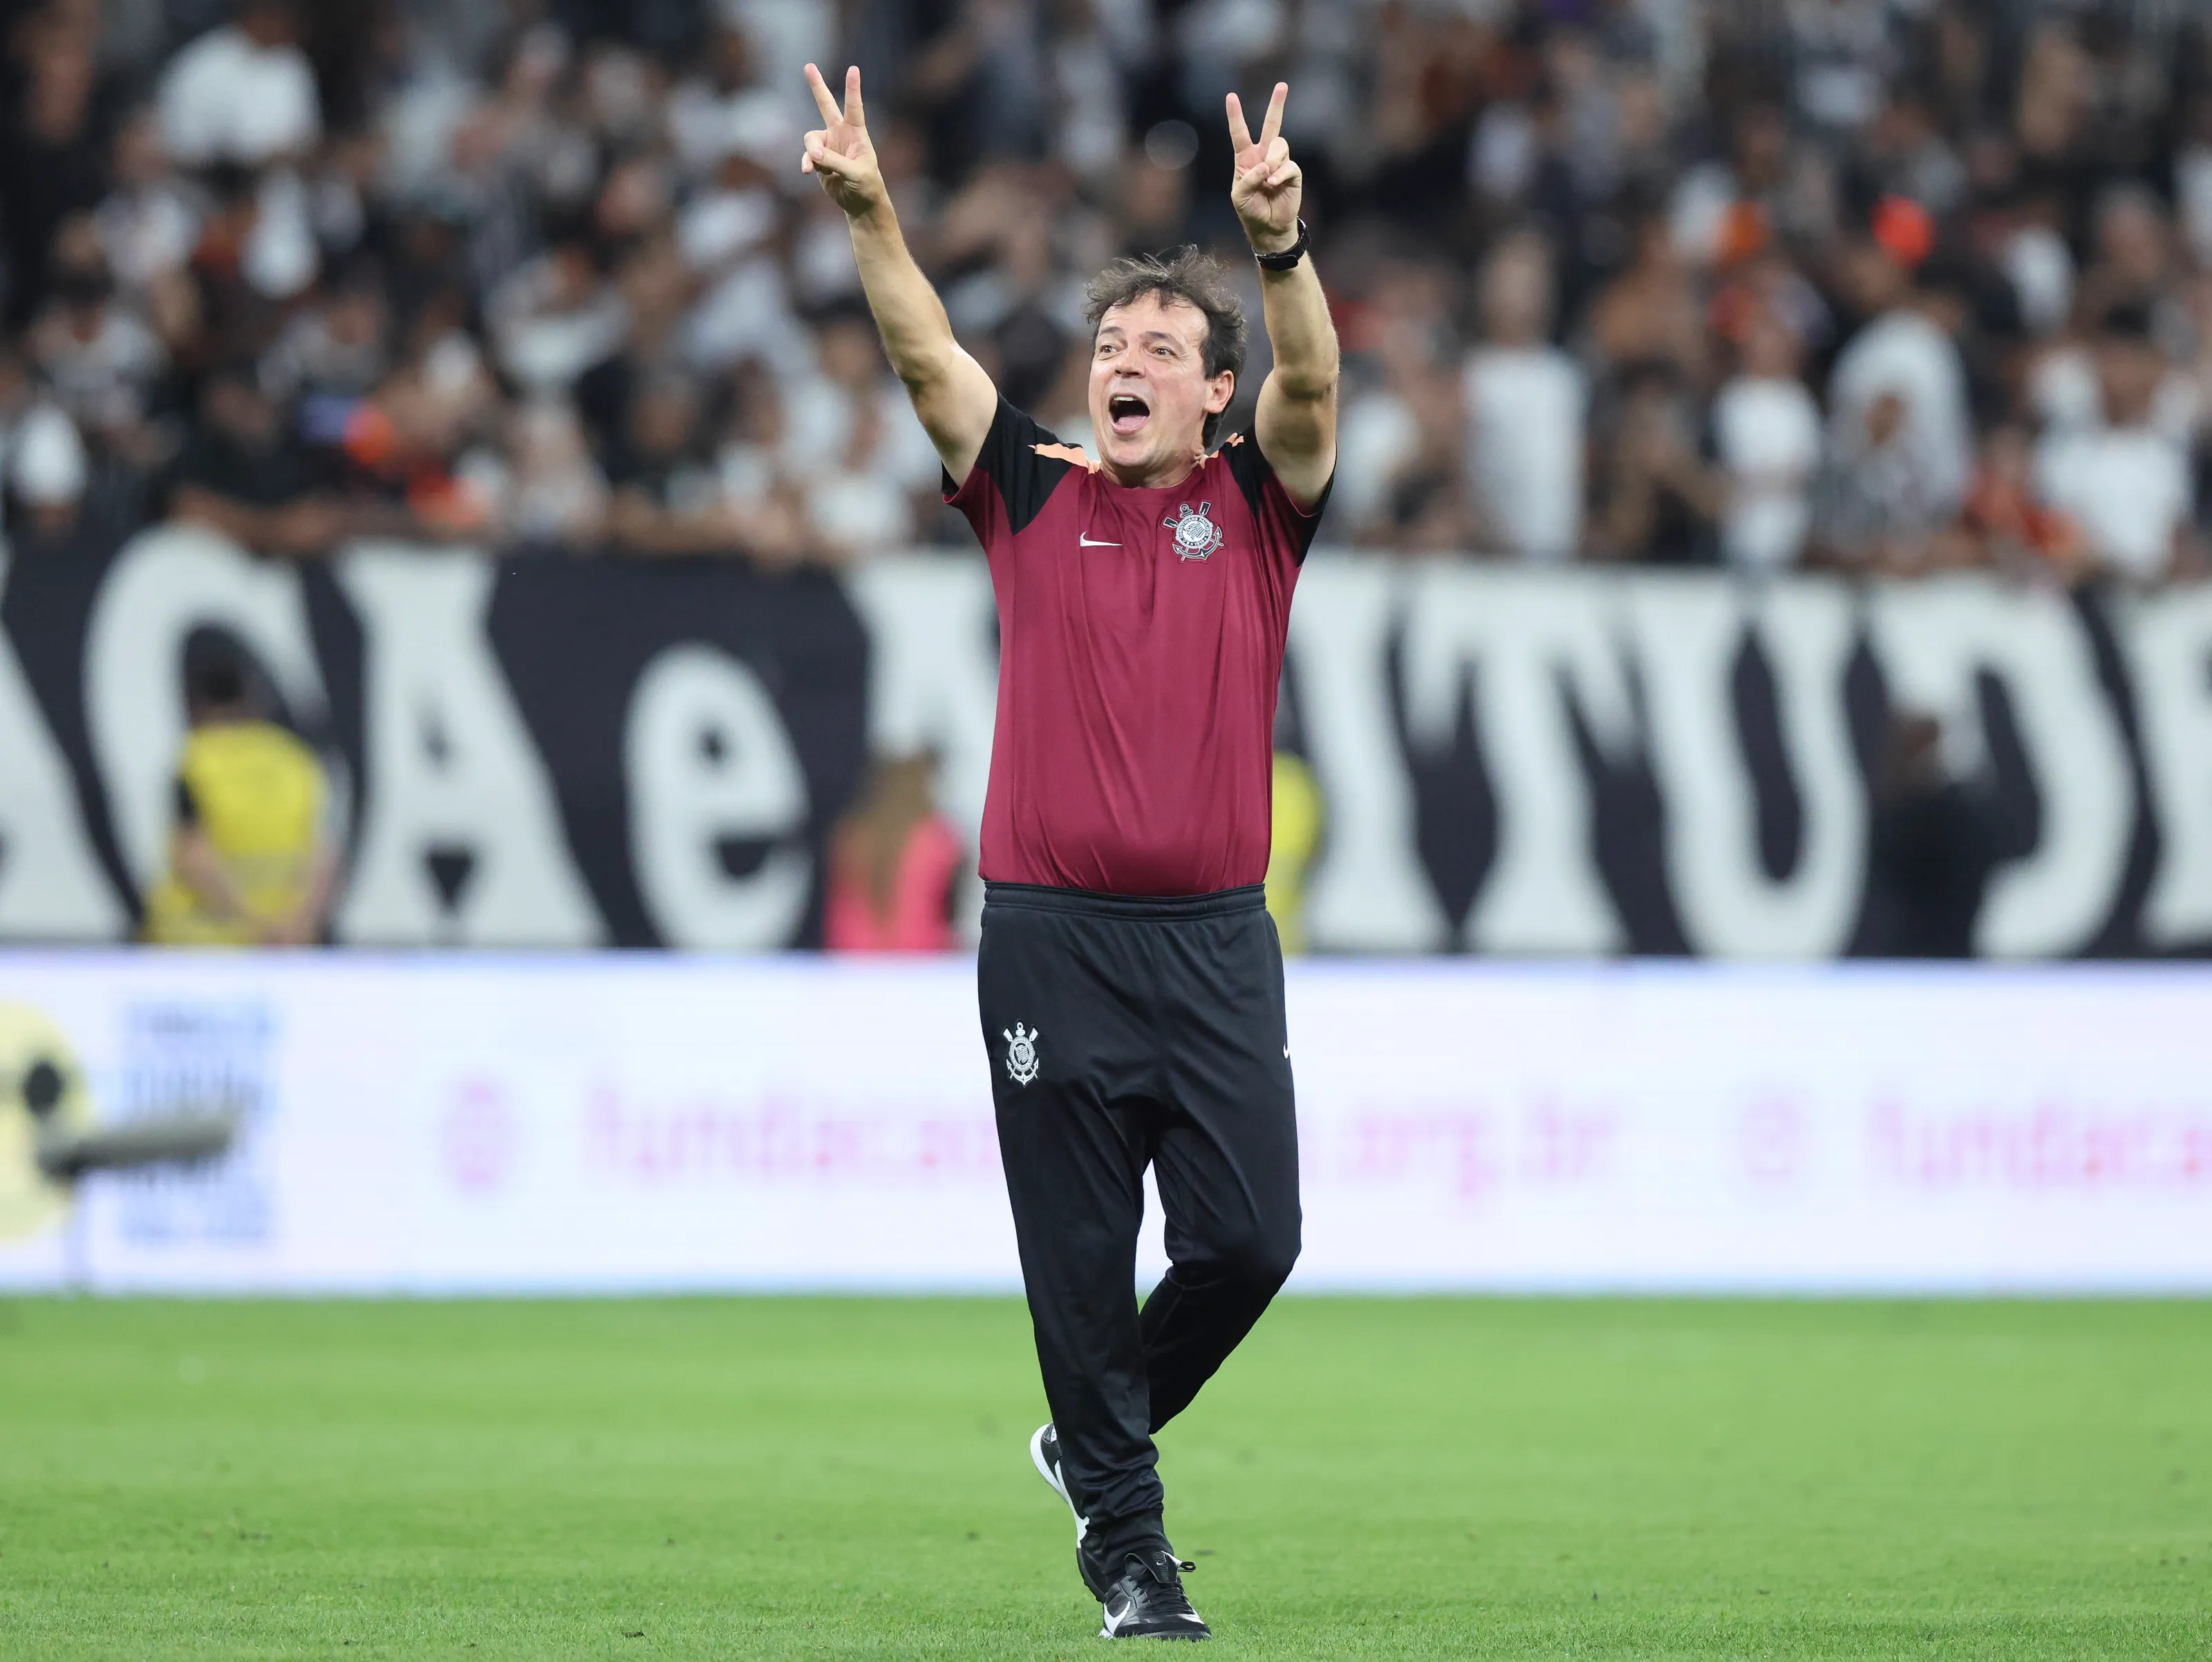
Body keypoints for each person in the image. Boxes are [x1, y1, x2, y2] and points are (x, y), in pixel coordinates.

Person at [801, 62, 1337, 1642]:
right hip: (1050, 943)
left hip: (1215, 941)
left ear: (1215, 393)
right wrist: (871, 210)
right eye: (1111, 346)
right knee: (1082, 1263)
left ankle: (1091, 1433)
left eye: (1161, 349)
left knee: (1252, 1238)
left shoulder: (1259, 505)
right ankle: (1129, 1545)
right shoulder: (1029, 492)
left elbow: (1316, 389)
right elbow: (924, 355)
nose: (1126, 362)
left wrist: (1278, 249)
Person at [142, 649, 337, 947]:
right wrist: (298, 924)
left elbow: (193, 857)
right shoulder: (294, 759)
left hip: (209, 940)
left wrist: (252, 923)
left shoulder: (196, 760)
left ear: (197, 705)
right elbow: (322, 855)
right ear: (253, 701)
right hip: (288, 941)